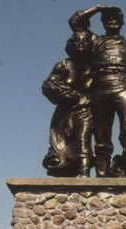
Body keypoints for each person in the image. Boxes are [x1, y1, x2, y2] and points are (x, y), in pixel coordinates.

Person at [69, 4, 126, 177]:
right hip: (101, 88)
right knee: (101, 136)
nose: (112, 21)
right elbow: (75, 21)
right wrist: (98, 7)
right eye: (107, 18)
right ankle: (102, 173)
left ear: (122, 22)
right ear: (103, 22)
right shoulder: (95, 42)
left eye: (115, 18)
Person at [42, 30, 94, 177]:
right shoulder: (63, 66)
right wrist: (68, 95)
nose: (81, 44)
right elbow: (48, 86)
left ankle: (85, 173)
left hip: (86, 109)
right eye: (77, 41)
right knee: (60, 147)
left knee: (83, 137)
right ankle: (64, 169)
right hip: (64, 112)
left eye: (85, 41)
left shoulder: (95, 67)